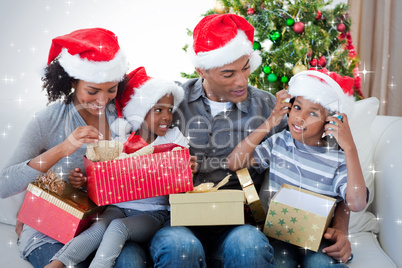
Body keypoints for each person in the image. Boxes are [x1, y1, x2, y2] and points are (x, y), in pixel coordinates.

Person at [149, 13, 353, 267]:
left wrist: (341, 227)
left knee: (250, 246)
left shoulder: (269, 106)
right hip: (179, 223)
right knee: (179, 247)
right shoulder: (172, 102)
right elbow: (130, 149)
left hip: (239, 226)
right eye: (228, 73)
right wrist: (166, 165)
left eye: (246, 67)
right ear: (201, 70)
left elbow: (333, 163)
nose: (242, 81)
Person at [0, 28, 145, 268]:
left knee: (133, 261)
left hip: (106, 229)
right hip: (52, 230)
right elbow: (4, 184)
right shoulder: (47, 120)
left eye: (111, 89)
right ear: (72, 80)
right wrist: (63, 148)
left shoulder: (123, 114)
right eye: (92, 91)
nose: (102, 100)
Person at [227, 68, 368, 267]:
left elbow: (357, 203)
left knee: (321, 263)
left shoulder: (337, 159)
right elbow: (234, 163)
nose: (300, 118)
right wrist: (270, 122)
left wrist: (350, 148)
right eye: (297, 107)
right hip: (279, 236)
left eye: (312, 113)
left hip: (319, 239)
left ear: (329, 121)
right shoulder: (279, 143)